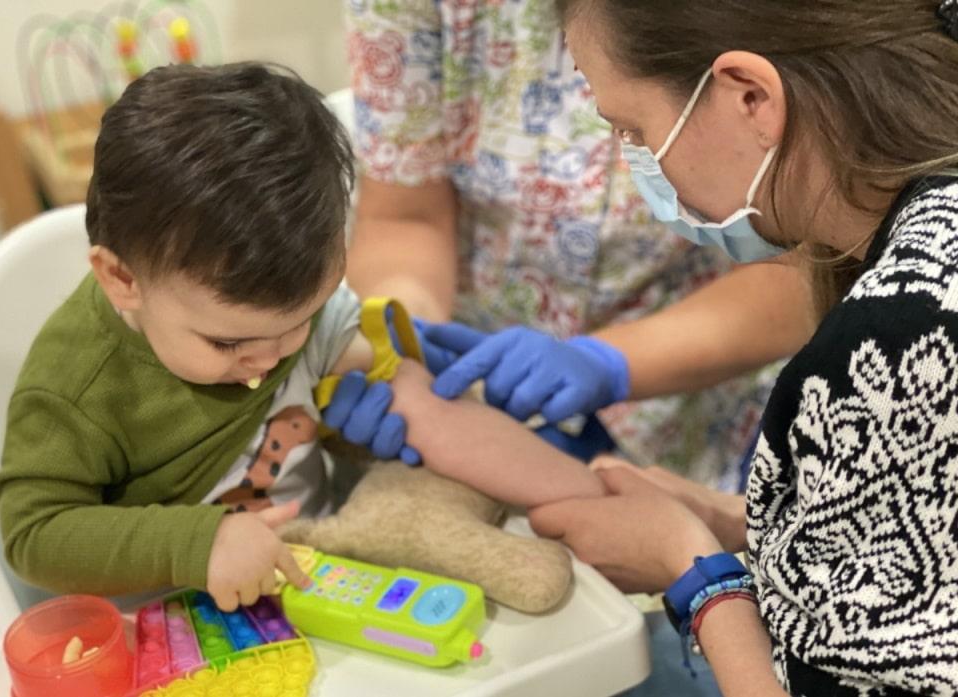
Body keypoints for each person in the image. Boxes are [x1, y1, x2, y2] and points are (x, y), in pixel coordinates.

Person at [0, 61, 609, 613]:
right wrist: (195, 543)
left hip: (317, 584)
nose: (266, 362)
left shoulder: (293, 310)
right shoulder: (78, 387)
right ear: (122, 278)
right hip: (166, 624)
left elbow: (433, 416)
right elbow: (33, 535)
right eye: (227, 345)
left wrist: (596, 495)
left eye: (299, 324)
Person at [526, 1, 958, 695]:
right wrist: (743, 523)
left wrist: (695, 570)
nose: (640, 162)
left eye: (632, 129)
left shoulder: (904, 334)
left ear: (751, 97)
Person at [341, 0, 815, 488]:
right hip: (476, 383)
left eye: (632, 130)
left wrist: (607, 364)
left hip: (704, 411)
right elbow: (405, 218)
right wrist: (400, 339)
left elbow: (808, 263)